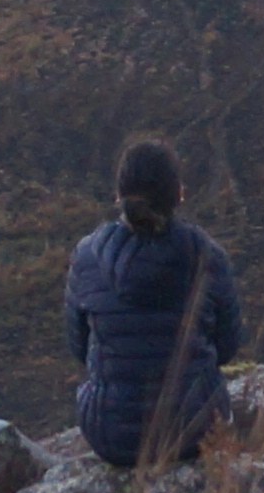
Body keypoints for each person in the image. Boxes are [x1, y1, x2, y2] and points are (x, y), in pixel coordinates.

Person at [67, 138, 241, 469]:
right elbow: (228, 346)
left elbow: (78, 348)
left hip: (112, 438)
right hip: (192, 434)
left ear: (119, 196)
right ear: (179, 193)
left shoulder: (86, 257)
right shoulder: (208, 257)